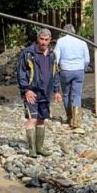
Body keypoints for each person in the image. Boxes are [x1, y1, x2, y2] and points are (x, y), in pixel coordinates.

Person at [17, 28, 63, 157]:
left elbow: (55, 74)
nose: (43, 42)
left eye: (46, 40)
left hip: (45, 92)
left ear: (50, 40)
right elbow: (21, 74)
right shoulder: (28, 53)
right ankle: (32, 149)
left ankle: (39, 148)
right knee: (32, 119)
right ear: (38, 39)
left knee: (42, 120)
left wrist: (57, 91)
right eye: (41, 39)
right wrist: (26, 90)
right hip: (32, 92)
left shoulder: (52, 54)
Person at [54, 23, 90, 132]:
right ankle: (77, 120)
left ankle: (69, 117)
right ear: (74, 31)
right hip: (79, 70)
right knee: (77, 95)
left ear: (64, 32)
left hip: (65, 70)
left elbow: (56, 57)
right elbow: (87, 59)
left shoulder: (60, 42)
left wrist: (59, 67)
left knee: (66, 94)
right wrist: (82, 68)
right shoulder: (82, 42)